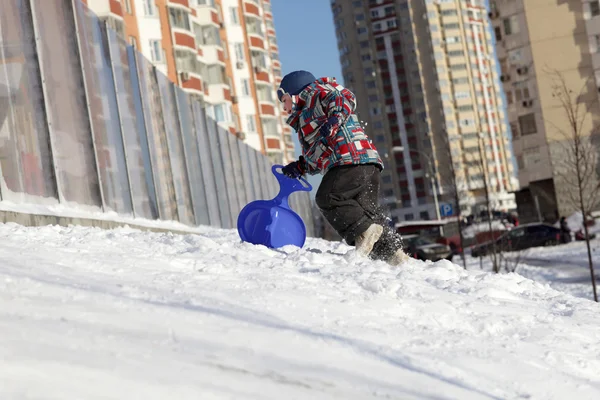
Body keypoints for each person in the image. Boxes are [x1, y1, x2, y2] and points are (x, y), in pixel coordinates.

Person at [277, 70, 409, 266]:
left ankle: (365, 233)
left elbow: (342, 97)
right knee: (367, 213)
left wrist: (335, 117)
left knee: (328, 197)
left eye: (284, 99)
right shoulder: (306, 121)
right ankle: (392, 254)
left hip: (348, 159)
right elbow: (317, 153)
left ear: (295, 94)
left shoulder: (316, 93)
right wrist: (301, 166)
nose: (284, 107)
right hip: (367, 163)